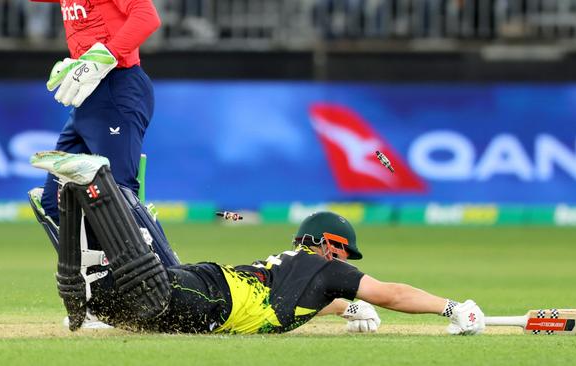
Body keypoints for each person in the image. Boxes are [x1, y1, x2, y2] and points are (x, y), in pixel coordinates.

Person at [31, 151, 486, 336]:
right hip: (214, 298)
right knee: (147, 291)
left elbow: (312, 301)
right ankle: (98, 185)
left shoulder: (306, 277)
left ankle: (72, 207)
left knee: (112, 301)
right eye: (347, 253)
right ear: (331, 245)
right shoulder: (326, 267)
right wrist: (452, 308)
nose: (348, 265)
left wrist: (348, 308)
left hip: (212, 291)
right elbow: (392, 293)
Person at [27, 0, 162, 252]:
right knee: (54, 203)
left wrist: (105, 55)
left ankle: (163, 274)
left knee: (119, 197)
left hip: (117, 86)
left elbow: (147, 16)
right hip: (88, 94)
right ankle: (107, 281)